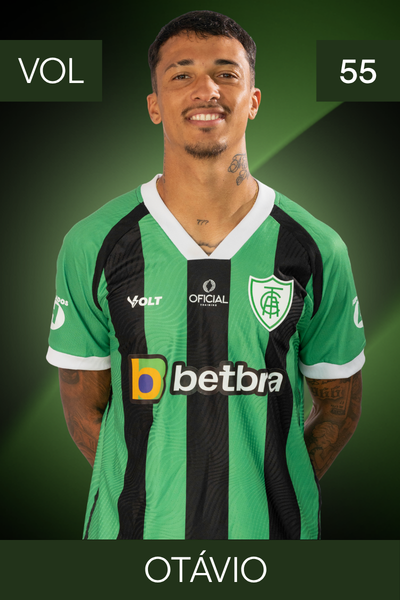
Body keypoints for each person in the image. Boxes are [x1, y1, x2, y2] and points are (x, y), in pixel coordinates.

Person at [46, 10, 365, 540]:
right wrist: (149, 491)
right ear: (154, 106)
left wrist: (268, 490)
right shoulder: (94, 243)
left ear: (253, 100)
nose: (207, 89)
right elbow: (85, 410)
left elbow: (340, 411)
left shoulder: (316, 248)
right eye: (182, 74)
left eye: (226, 73)